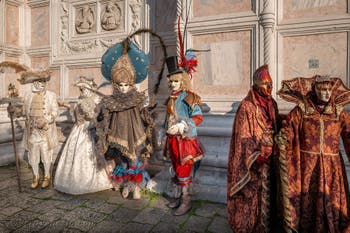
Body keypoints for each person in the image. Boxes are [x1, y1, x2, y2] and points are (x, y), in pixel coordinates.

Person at [276, 75, 350, 233]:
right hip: (308, 168)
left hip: (333, 168)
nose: (326, 93)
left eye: (329, 89)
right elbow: (289, 128)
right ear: (315, 90)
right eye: (322, 90)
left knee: (333, 199)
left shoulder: (339, 112)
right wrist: (283, 137)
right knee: (309, 200)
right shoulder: (302, 111)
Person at [97, 40, 153, 200]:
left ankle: (135, 186)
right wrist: (101, 117)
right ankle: (125, 183)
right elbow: (106, 118)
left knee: (134, 160)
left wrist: (147, 114)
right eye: (120, 85)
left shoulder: (137, 98)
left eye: (126, 85)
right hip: (117, 134)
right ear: (115, 84)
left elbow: (143, 116)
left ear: (131, 84)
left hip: (134, 134)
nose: (122, 88)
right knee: (122, 161)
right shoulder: (111, 101)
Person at [227, 65, 280, 232]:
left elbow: (275, 124)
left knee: (270, 191)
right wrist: (257, 155)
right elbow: (242, 137)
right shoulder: (246, 107)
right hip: (254, 160)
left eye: (271, 84)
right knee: (254, 193)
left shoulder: (272, 103)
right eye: (266, 84)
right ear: (257, 84)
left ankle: (267, 225)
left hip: (272, 156)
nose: (269, 88)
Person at [54, 76, 112, 194]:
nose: (83, 91)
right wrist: (66, 105)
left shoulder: (96, 100)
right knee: (77, 152)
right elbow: (76, 111)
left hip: (91, 129)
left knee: (92, 152)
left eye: (84, 88)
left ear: (90, 88)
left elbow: (100, 115)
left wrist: (92, 116)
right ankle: (75, 180)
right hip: (79, 129)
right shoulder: (80, 99)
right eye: (81, 89)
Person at [163, 56, 204, 216]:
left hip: (185, 142)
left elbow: (198, 117)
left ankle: (186, 201)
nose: (172, 84)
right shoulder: (170, 99)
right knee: (176, 169)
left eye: (176, 81)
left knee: (184, 169)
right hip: (172, 140)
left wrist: (182, 126)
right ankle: (180, 197)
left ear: (183, 82)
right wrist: (163, 130)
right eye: (171, 81)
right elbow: (168, 118)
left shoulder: (190, 97)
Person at [18, 70, 59, 189]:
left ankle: (47, 176)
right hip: (32, 132)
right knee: (33, 155)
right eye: (38, 81)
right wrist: (15, 111)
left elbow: (55, 111)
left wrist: (46, 120)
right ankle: (36, 176)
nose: (41, 84)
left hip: (45, 132)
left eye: (43, 81)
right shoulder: (28, 96)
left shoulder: (51, 95)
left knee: (46, 155)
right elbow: (24, 112)